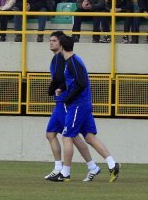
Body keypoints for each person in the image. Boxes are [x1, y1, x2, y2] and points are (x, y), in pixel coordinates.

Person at [47, 33, 120, 182]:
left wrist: (67, 98)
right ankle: (111, 164)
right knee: (88, 136)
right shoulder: (69, 61)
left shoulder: (72, 61)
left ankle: (65, 173)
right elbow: (73, 81)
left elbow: (81, 83)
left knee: (67, 136)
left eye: (54, 41)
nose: (51, 43)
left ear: (62, 45)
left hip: (77, 105)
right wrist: (60, 88)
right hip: (81, 104)